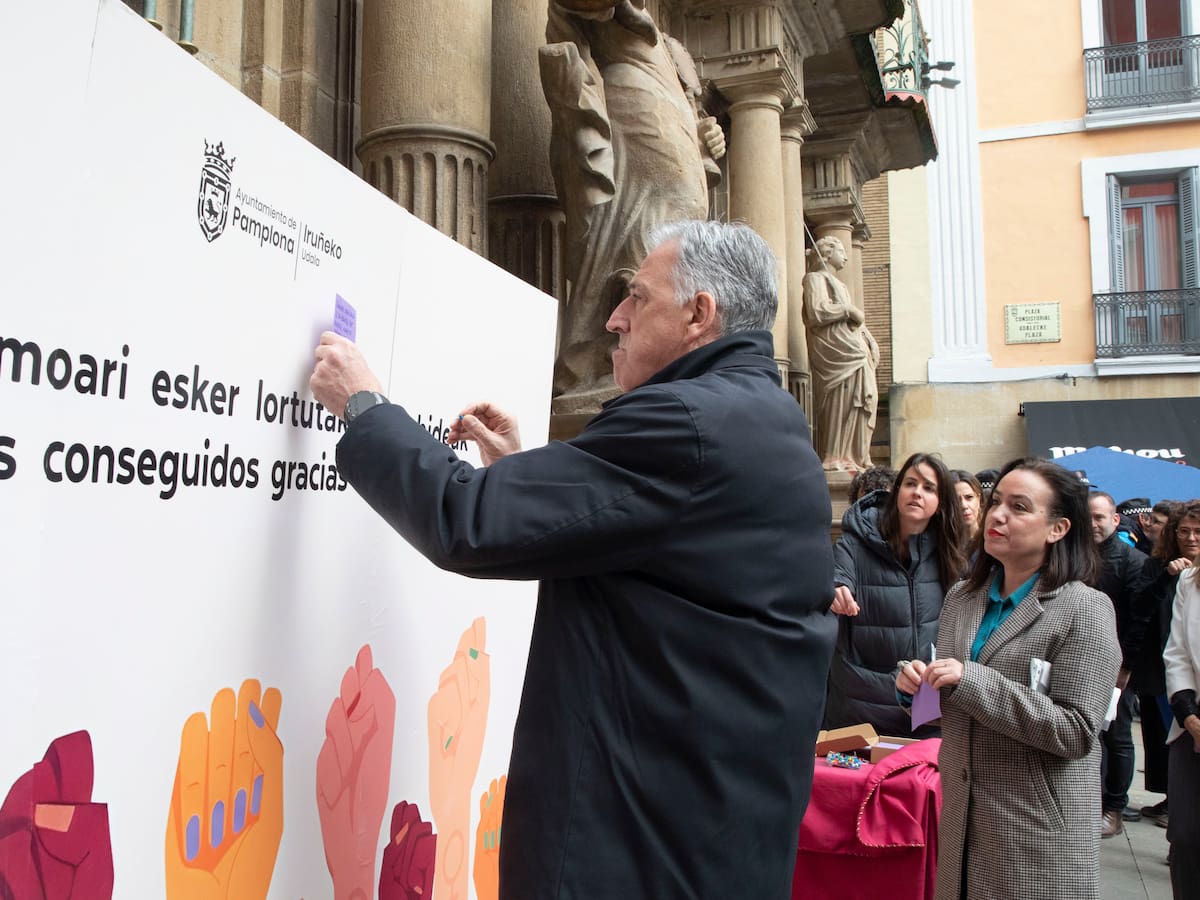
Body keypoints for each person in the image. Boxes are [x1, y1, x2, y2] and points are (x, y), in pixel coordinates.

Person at [309, 219, 837, 899]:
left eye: (637, 298)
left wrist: (365, 405)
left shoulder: (688, 424)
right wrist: (528, 478)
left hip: (634, 857)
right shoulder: (765, 421)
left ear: (699, 314)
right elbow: (657, 557)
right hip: (703, 845)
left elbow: (465, 521)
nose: (614, 319)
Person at [896, 458, 1119, 900]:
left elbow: (1075, 730)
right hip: (963, 820)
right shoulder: (963, 597)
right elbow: (956, 697)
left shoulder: (1086, 610)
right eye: (996, 501)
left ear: (1057, 529)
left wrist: (970, 681)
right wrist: (920, 685)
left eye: (1019, 507)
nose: (997, 515)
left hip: (1035, 829)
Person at [825, 452, 967, 736]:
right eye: (910, 483)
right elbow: (837, 575)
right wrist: (836, 588)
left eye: (929, 488)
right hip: (862, 708)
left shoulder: (948, 555)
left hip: (923, 709)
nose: (917, 492)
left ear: (940, 504)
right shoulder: (854, 542)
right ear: (897, 490)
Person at [1088, 490, 1153, 836]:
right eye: (1088, 518)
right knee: (1089, 734)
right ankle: (1092, 801)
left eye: (1099, 517)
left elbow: (1139, 621)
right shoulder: (1073, 555)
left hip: (1119, 665)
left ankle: (1114, 806)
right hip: (1081, 659)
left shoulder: (1133, 562)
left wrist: (1125, 667)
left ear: (1115, 520)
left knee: (1117, 734)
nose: (1093, 524)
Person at [1133, 499, 1194, 826]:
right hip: (1162, 669)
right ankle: (1175, 801)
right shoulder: (1158, 566)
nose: (1191, 538)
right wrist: (1166, 577)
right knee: (1169, 739)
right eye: (1183, 531)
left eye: (1197, 531)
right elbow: (1140, 606)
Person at [802, 235, 879, 472]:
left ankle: (857, 454)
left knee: (867, 397)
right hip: (836, 352)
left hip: (853, 347)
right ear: (826, 253)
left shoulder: (842, 285)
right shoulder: (814, 279)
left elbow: (858, 322)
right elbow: (816, 312)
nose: (845, 255)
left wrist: (869, 339)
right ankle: (835, 455)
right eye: (840, 250)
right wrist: (847, 310)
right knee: (843, 398)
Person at [1163, 520, 1200, 899]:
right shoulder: (1190, 583)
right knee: (1186, 837)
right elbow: (1177, 654)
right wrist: (1188, 715)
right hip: (1191, 726)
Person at [950, 469, 983, 548]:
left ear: (979, 499)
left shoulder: (992, 542)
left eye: (969, 497)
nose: (964, 506)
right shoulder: (938, 546)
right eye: (956, 500)